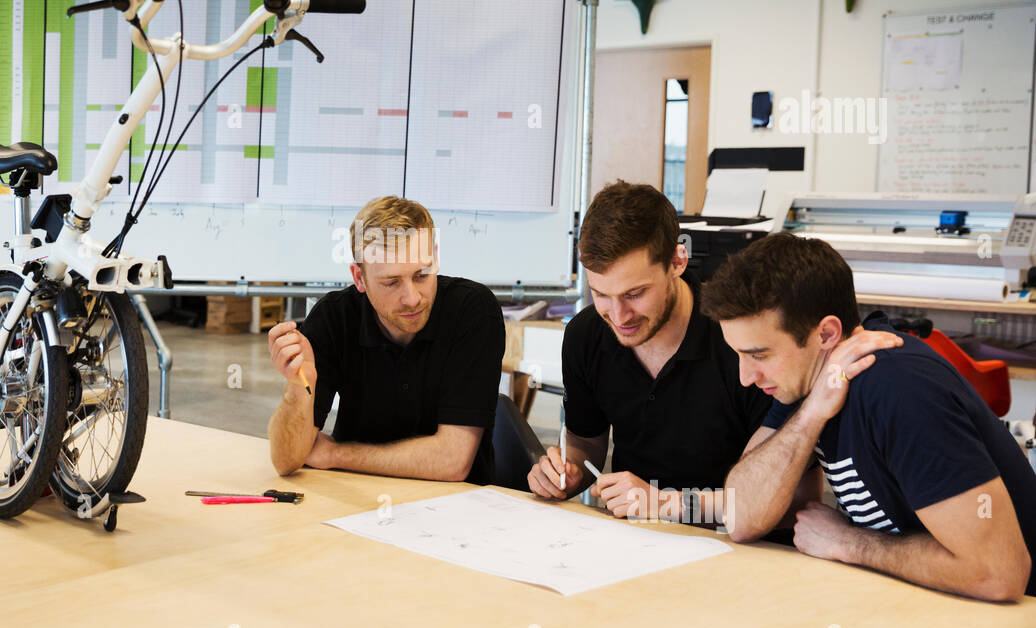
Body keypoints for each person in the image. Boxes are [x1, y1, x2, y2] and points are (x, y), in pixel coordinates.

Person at [702, 231, 1036, 600]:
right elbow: (740, 518)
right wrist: (812, 413)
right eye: (739, 355)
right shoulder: (805, 383)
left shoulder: (898, 390)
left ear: (827, 334)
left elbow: (998, 574)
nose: (746, 377)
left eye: (759, 355)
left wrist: (848, 542)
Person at [528, 180, 773, 524]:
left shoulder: (738, 339)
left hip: (738, 540)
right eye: (601, 294)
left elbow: (786, 497)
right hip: (637, 537)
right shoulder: (586, 334)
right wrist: (565, 473)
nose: (619, 316)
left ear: (677, 261)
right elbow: (587, 449)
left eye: (635, 293)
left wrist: (665, 503)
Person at [266, 196, 504, 483]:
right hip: (354, 497)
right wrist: (298, 386)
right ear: (359, 278)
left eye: (421, 274)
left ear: (435, 257)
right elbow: (286, 461)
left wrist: (335, 455)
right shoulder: (334, 317)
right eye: (392, 282)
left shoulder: (472, 311)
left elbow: (452, 461)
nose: (412, 298)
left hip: (455, 505)